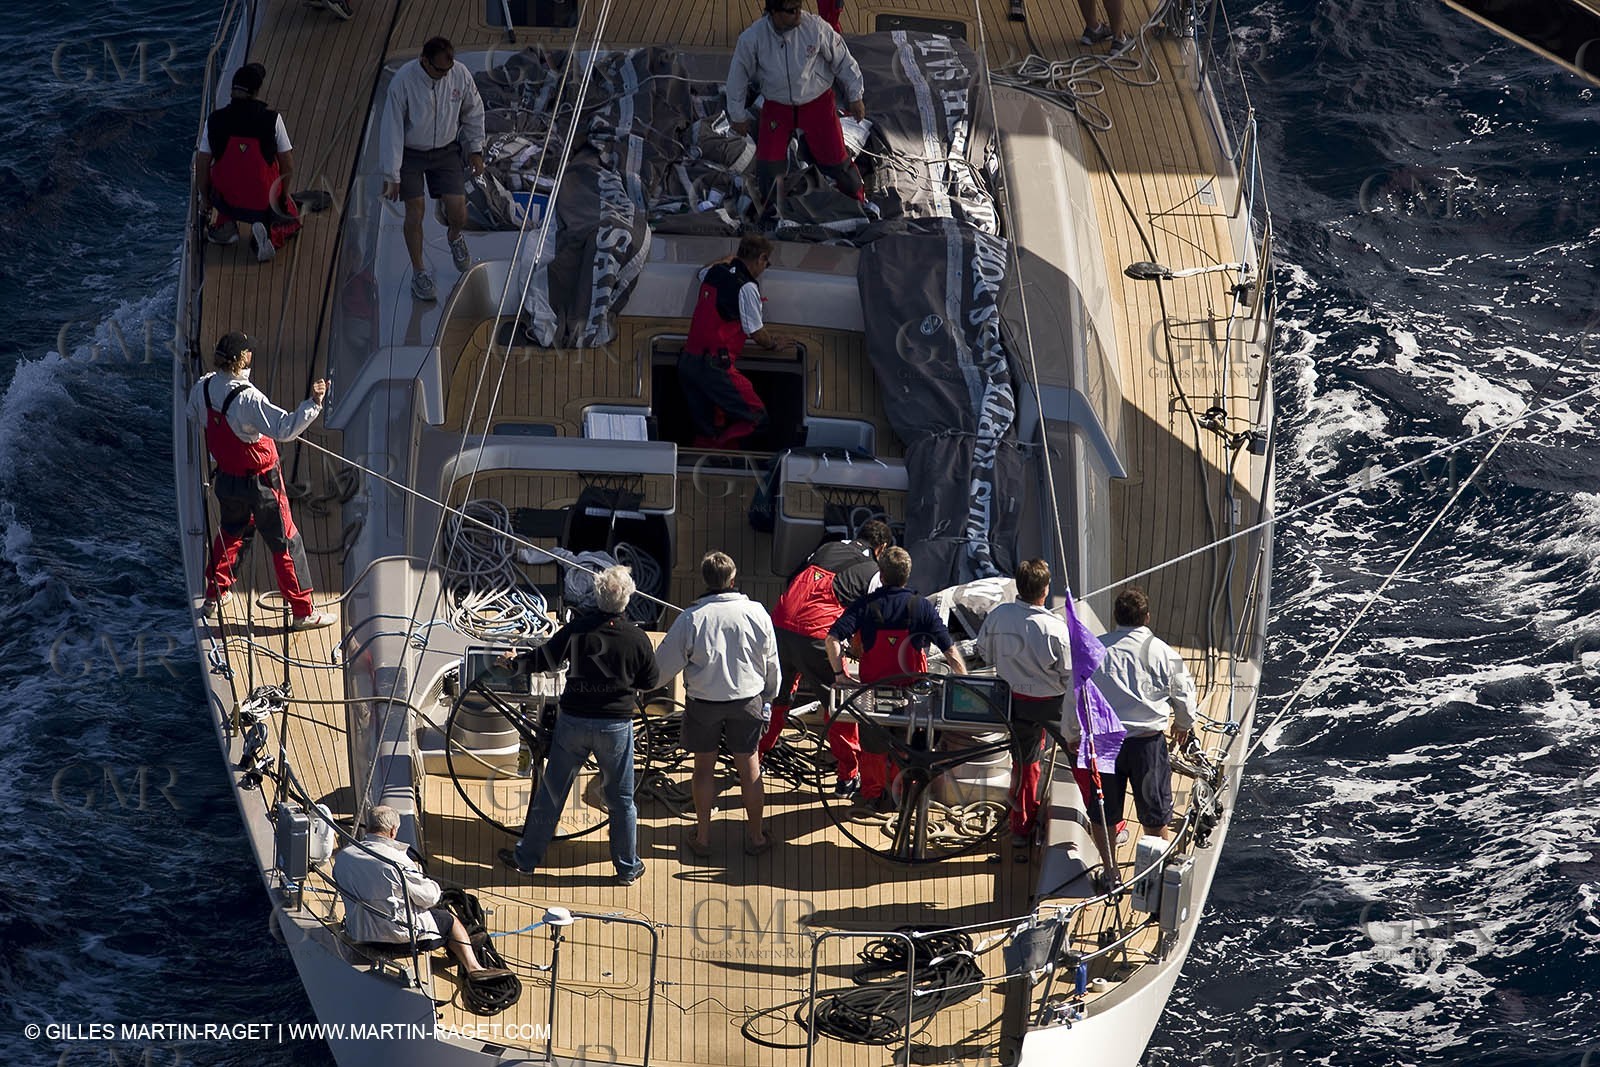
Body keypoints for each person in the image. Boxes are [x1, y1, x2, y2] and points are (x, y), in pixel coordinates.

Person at [498, 566, 659, 886]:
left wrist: (515, 663)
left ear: (596, 595)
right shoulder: (637, 638)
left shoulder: (578, 631)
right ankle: (627, 868)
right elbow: (650, 680)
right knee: (621, 800)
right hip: (615, 727)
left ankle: (526, 860)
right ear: (627, 599)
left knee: (552, 794)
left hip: (572, 723)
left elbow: (545, 659)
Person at [187, 331, 335, 630]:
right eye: (249, 352)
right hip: (262, 485)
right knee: (286, 544)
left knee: (230, 534)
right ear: (242, 359)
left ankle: (214, 596)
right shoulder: (248, 398)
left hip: (227, 481)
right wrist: (314, 403)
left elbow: (196, 416)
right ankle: (303, 611)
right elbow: (284, 428)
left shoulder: (202, 388)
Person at [654, 551, 781, 857]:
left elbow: (660, 669)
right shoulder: (758, 613)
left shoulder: (691, 618)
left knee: (703, 769)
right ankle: (756, 838)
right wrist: (770, 697)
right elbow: (772, 663)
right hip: (748, 700)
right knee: (750, 767)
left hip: (704, 704)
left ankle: (704, 838)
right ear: (733, 580)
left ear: (705, 580)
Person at [825, 547, 967, 810]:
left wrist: (840, 675)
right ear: (907, 575)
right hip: (912, 695)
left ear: (881, 574)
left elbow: (832, 638)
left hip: (871, 693)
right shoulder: (921, 606)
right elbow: (950, 651)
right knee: (907, 748)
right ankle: (902, 797)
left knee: (872, 748)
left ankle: (872, 795)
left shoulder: (865, 606)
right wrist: (965, 685)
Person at [763, 520, 892, 785]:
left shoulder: (827, 547)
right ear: (882, 548)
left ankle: (758, 756)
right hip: (817, 637)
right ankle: (848, 776)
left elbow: (792, 579)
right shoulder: (874, 572)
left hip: (779, 625)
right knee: (838, 703)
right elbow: (871, 620)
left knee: (777, 695)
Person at [1085, 587, 1196, 877]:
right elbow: (1184, 693)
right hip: (1146, 746)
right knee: (1155, 814)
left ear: (1115, 617)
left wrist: (1074, 734)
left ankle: (1110, 872)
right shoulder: (1163, 652)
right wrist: (1182, 725)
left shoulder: (1094, 651)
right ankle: (1155, 876)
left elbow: (1077, 696)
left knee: (1103, 811)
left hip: (1105, 743)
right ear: (1147, 617)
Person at [333, 805, 509, 981]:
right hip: (400, 940)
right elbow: (429, 898)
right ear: (393, 831)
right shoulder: (398, 860)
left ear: (368, 826)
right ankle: (473, 967)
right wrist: (433, 887)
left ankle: (459, 948)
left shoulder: (343, 858)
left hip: (359, 935)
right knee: (448, 920)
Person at [726, 0, 868, 216]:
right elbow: (737, 76)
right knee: (768, 167)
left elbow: (843, 61)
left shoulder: (816, 28)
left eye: (799, 8)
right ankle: (772, 211)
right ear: (773, 12)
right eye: (792, 11)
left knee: (836, 161)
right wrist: (737, 116)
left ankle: (857, 202)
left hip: (817, 104)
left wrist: (855, 96)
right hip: (777, 108)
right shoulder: (752, 38)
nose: (798, 15)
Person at [974, 559, 1077, 853]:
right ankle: (1107, 821)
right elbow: (1070, 675)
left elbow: (984, 653)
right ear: (1045, 591)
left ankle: (1021, 828)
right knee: (1079, 754)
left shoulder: (998, 616)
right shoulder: (1055, 628)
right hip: (1052, 705)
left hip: (1013, 703)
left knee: (1024, 763)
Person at [379, 36, 486, 302]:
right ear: (424, 61)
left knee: (459, 212)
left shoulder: (458, 74)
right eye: (439, 70)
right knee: (415, 212)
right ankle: (419, 272)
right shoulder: (402, 82)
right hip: (411, 153)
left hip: (446, 151)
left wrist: (475, 150)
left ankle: (454, 235)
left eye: (448, 69)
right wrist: (392, 174)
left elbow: (474, 111)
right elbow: (391, 128)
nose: (445, 75)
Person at [678, 234, 797, 450]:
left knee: (707, 426)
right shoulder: (747, 287)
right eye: (767, 263)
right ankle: (723, 451)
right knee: (757, 418)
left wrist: (730, 259)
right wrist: (773, 344)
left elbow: (702, 271)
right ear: (761, 258)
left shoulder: (714, 272)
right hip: (714, 367)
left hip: (689, 361)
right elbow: (756, 332)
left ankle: (705, 456)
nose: (765, 268)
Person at [196, 62, 301, 263]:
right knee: (291, 219)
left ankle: (225, 226)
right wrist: (284, 196)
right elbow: (287, 163)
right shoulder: (272, 119)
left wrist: (205, 198)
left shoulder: (214, 120)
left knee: (227, 175)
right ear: (256, 92)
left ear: (232, 90)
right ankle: (268, 237)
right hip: (264, 199)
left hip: (227, 199)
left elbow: (202, 165)